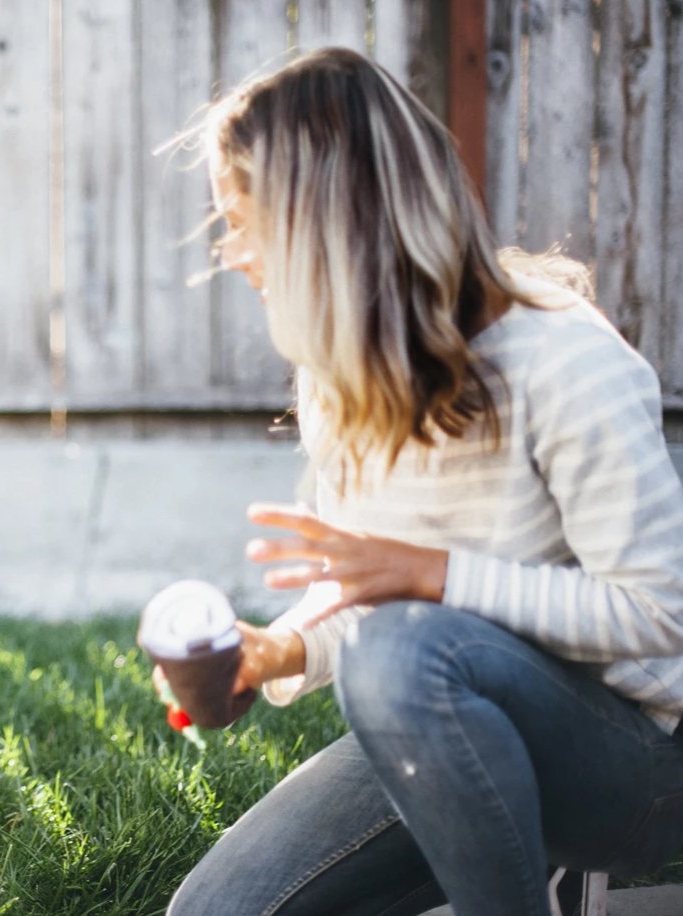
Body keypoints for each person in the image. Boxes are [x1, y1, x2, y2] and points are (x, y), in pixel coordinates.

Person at [165, 47, 683, 916]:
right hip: (446, 712)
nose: (233, 254)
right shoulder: (348, 370)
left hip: (641, 758)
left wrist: (435, 575)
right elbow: (374, 590)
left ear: (322, 222)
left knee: (405, 651)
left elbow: (663, 616)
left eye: (243, 223)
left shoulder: (564, 360)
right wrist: (278, 651)